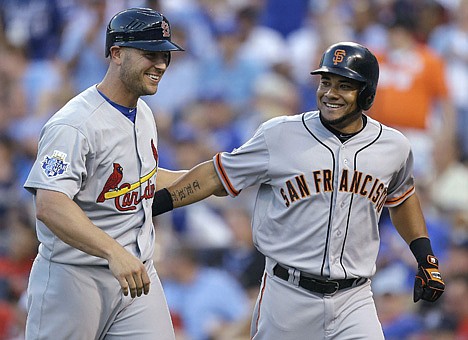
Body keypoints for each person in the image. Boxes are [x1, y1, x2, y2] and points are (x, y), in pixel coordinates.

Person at [151, 41, 446, 339]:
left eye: (344, 85)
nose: (330, 93)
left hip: (354, 299)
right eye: (326, 82)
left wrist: (426, 257)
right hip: (287, 295)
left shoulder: (392, 147)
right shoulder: (279, 134)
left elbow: (403, 199)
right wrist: (156, 204)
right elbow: (217, 176)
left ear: (367, 93)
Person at [23, 7, 186, 340]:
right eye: (150, 54)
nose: (160, 64)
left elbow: (146, 182)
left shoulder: (142, 112)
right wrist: (114, 251)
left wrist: (217, 176)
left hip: (137, 275)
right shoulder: (74, 124)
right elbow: (50, 203)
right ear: (116, 53)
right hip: (74, 279)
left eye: (165, 55)